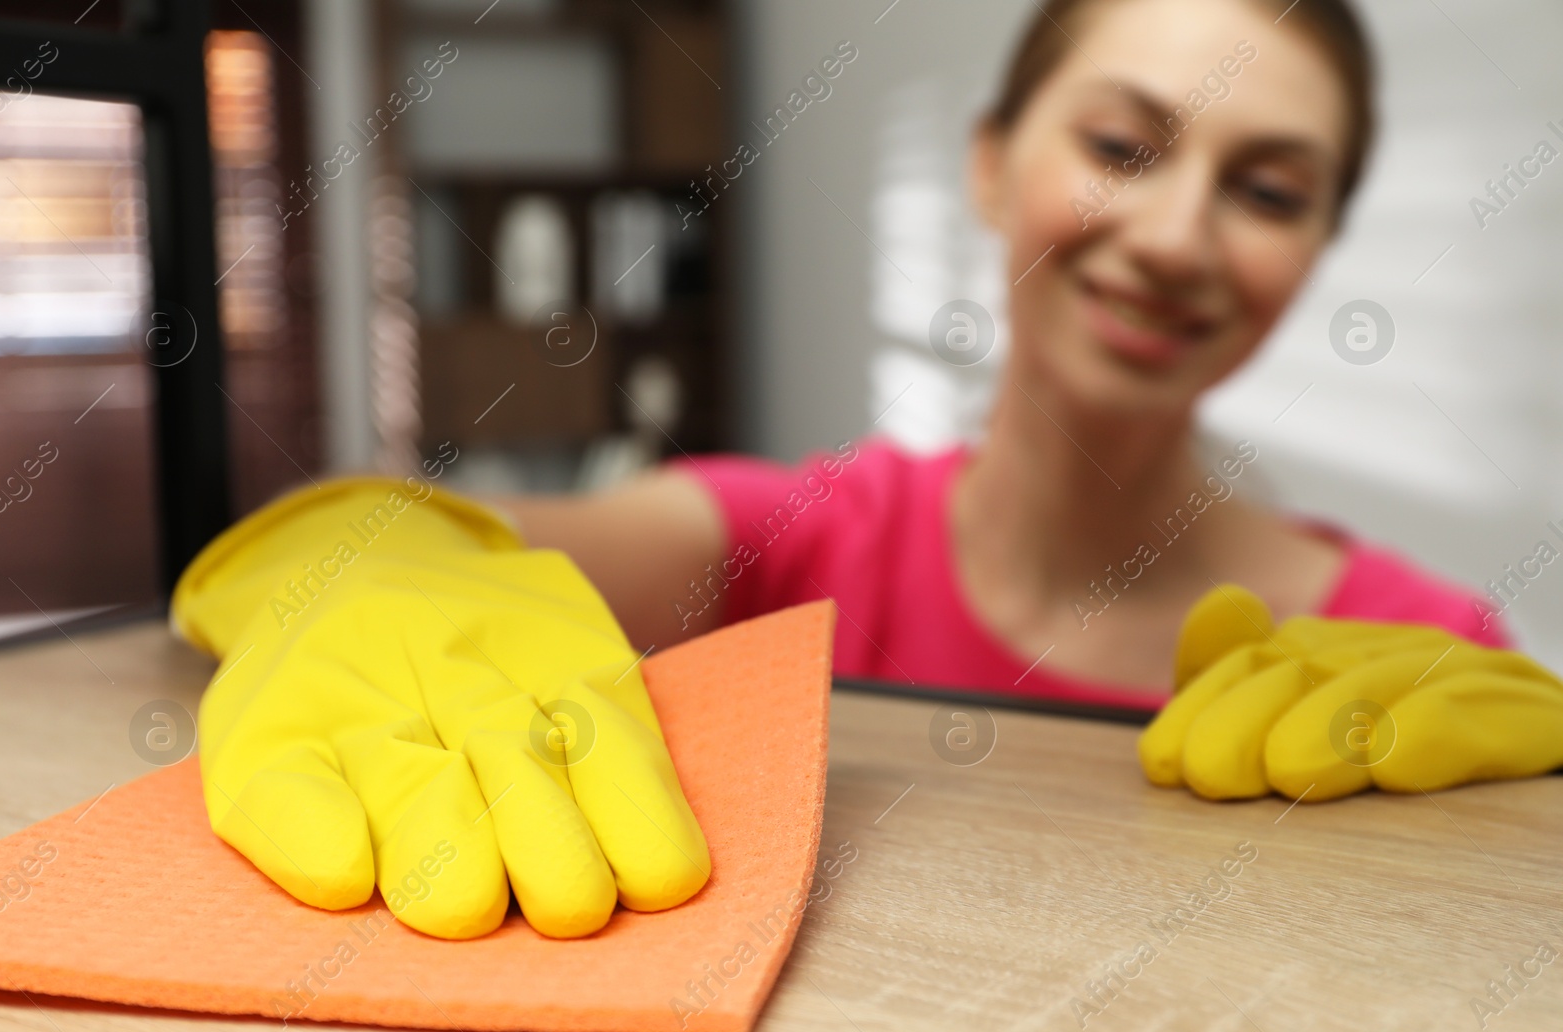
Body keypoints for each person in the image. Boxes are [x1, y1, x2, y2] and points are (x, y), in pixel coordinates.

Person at [494, 0, 1508, 711]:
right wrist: (374, 546)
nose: (1173, 239)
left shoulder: (1425, 654)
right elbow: (475, 548)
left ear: (1315, 252)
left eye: (1270, 194)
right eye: (1118, 148)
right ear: (989, 164)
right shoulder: (790, 552)